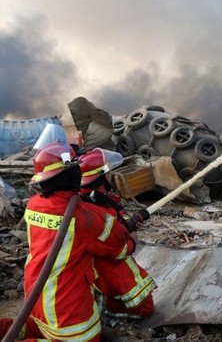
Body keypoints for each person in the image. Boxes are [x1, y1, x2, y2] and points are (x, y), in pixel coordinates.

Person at [22, 142, 132, 341]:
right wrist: (131, 238)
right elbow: (119, 248)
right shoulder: (85, 217)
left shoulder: (34, 204)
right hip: (68, 314)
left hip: (35, 299)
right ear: (72, 174)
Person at [79, 148, 156, 319]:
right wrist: (132, 242)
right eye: (108, 173)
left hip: (99, 267)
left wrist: (130, 223)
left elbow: (113, 228)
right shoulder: (97, 210)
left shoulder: (94, 200)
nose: (111, 175)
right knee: (146, 307)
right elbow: (114, 247)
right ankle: (117, 310)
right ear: (100, 178)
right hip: (108, 265)